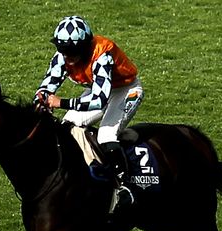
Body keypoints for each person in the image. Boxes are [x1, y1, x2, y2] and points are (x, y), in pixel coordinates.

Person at [35, 16, 144, 212]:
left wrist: (61, 102)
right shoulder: (63, 55)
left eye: (72, 52)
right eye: (64, 51)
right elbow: (49, 82)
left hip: (125, 91)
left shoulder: (102, 55)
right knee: (66, 125)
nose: (68, 57)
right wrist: (41, 99)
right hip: (99, 90)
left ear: (85, 47)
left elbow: (98, 100)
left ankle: (124, 187)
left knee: (106, 135)